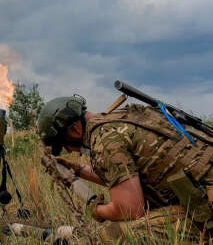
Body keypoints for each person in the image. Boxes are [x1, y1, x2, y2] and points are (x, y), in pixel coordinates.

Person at [37, 95, 213, 243]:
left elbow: (130, 209)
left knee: (112, 233)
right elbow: (124, 174)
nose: (68, 151)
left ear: (75, 130)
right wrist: (78, 169)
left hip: (206, 207)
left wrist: (96, 210)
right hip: (201, 191)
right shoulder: (121, 119)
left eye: (64, 145)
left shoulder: (104, 141)